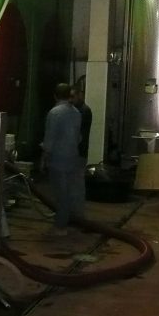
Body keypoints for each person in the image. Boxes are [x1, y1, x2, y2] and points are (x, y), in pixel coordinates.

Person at [41, 83, 82, 236]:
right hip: (72, 156)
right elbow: (78, 137)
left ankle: (60, 226)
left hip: (58, 158)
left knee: (60, 194)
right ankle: (68, 221)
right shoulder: (76, 112)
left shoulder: (54, 113)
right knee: (69, 192)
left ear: (55, 95)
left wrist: (44, 157)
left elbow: (49, 140)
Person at [70, 83, 92, 221]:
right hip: (77, 153)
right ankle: (74, 213)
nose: (71, 100)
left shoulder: (83, 111)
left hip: (78, 153)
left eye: (73, 96)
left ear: (80, 95)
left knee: (77, 184)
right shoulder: (78, 110)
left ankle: (77, 215)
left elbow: (76, 135)